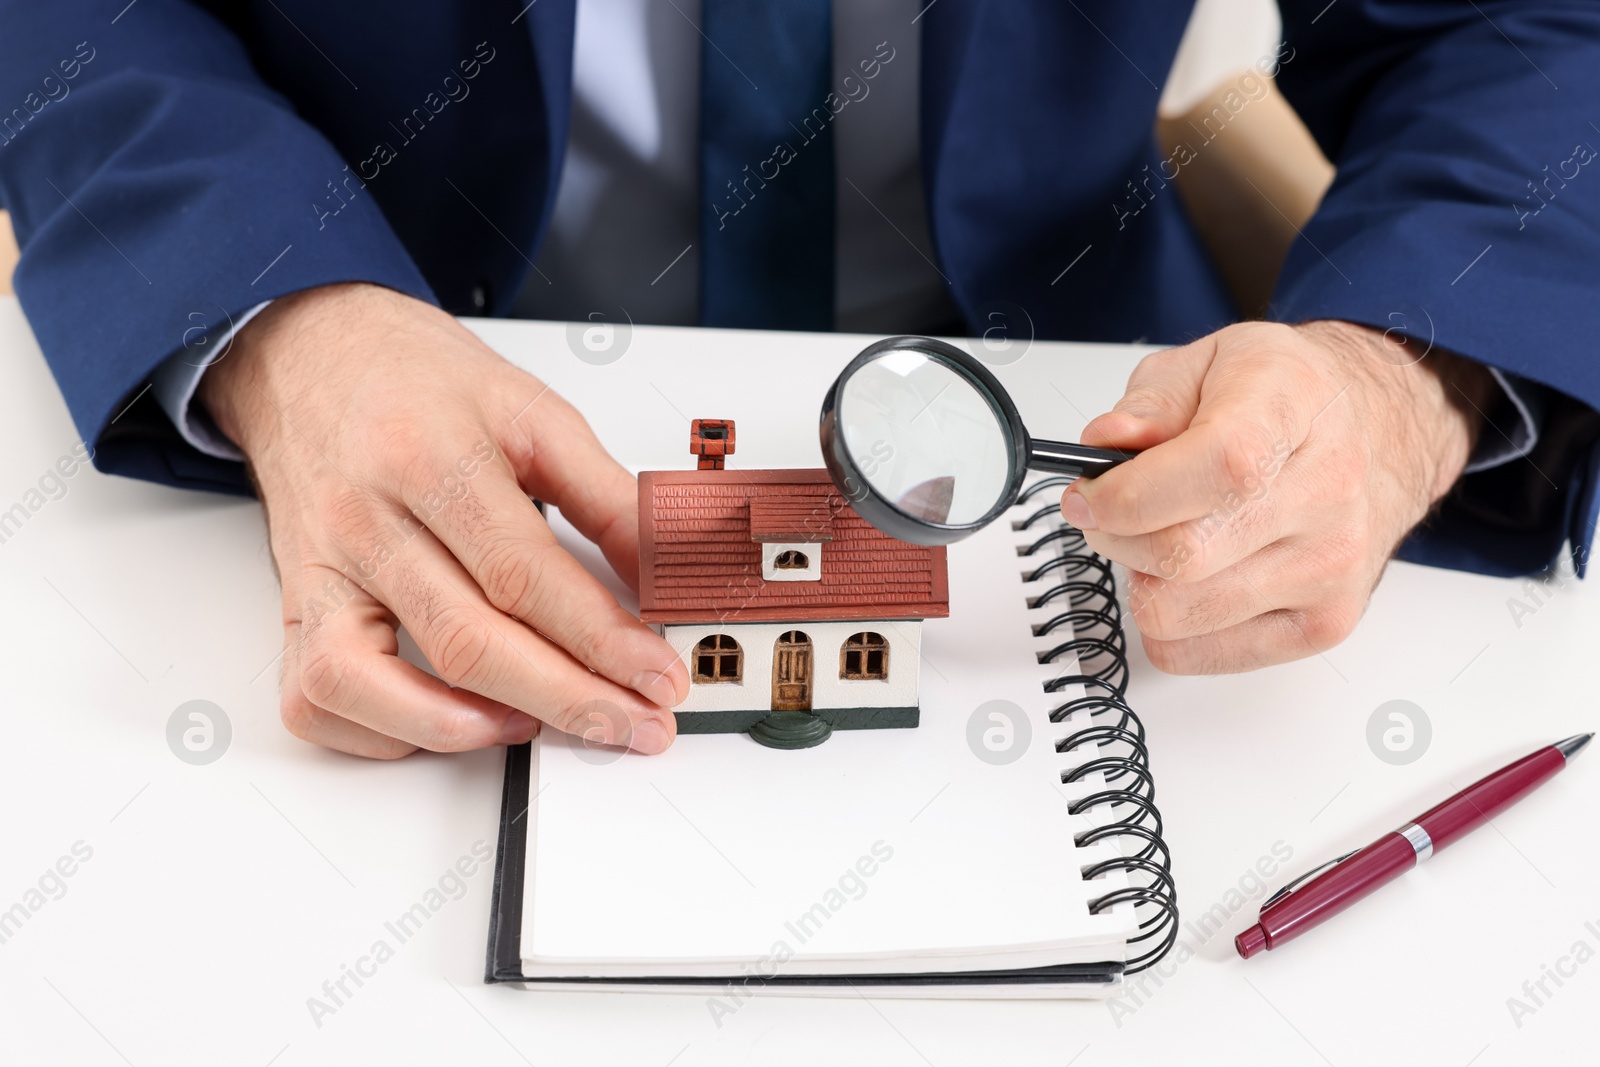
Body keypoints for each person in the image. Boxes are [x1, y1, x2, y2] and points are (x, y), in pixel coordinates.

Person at [3, 1, 1597, 759]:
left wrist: (1406, 381)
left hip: (1067, 413)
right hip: (390, 358)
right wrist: (280, 323)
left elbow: (1523, 23)